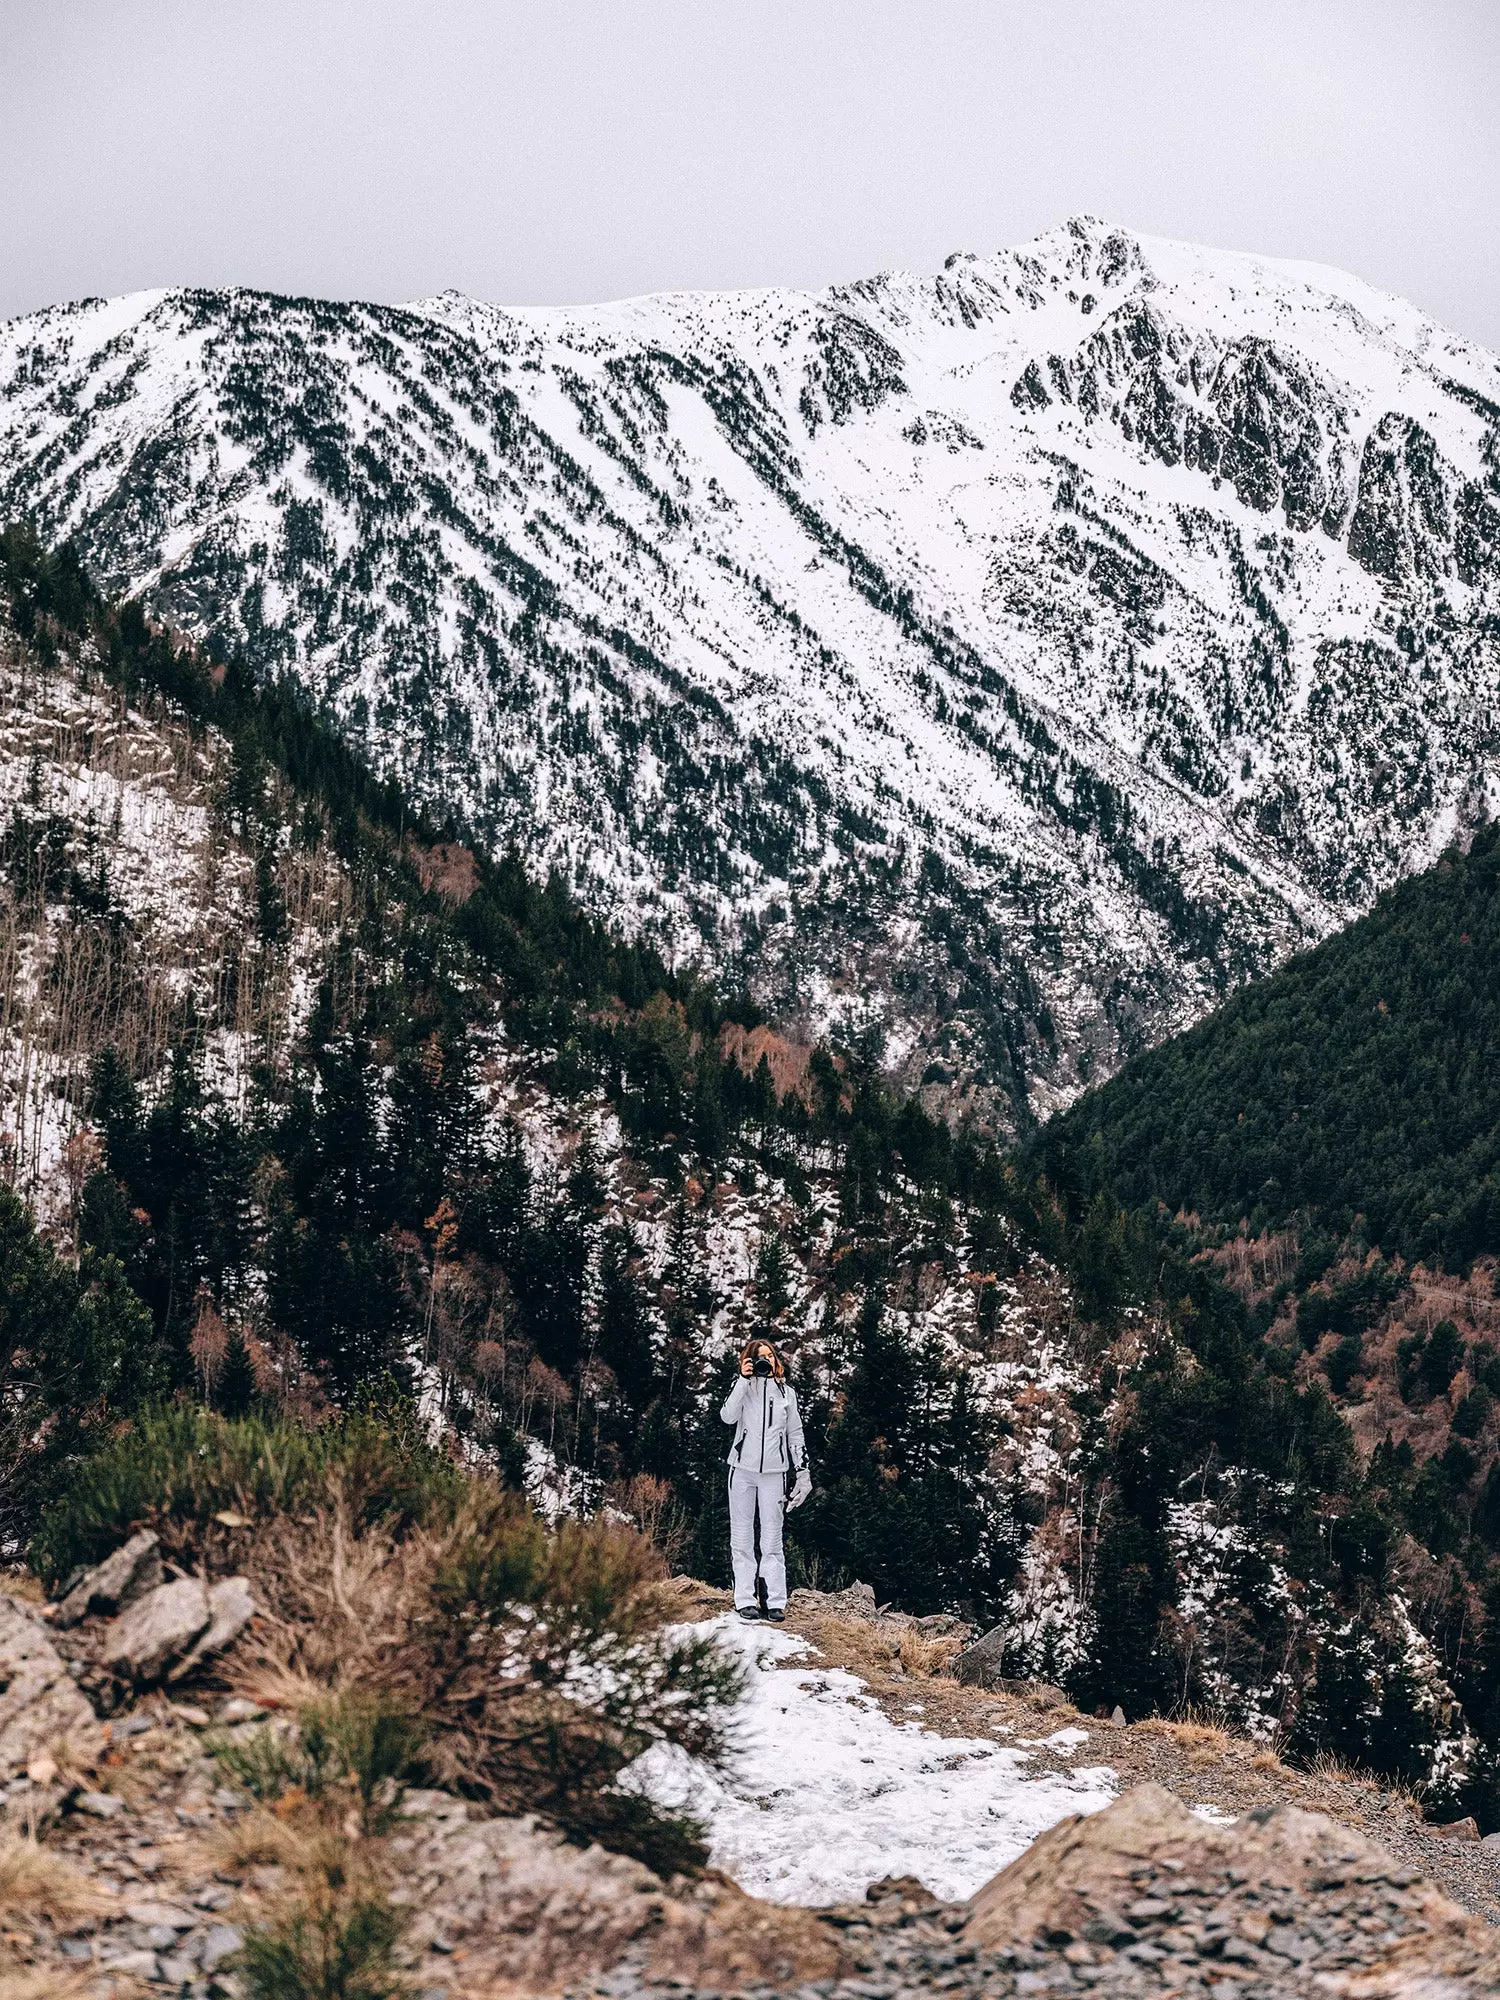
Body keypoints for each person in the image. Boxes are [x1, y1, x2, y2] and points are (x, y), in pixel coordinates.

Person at [720, 1335, 811, 1621]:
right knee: (742, 1536)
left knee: (772, 1539)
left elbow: (795, 1434)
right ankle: (745, 1598)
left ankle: (775, 1602)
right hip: (742, 1471)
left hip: (775, 1474)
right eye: (758, 1356)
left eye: (769, 1356)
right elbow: (727, 1416)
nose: (765, 1361)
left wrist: (803, 1473)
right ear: (749, 1360)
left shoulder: (787, 1394)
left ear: (775, 1360)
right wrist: (742, 1380)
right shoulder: (742, 1387)